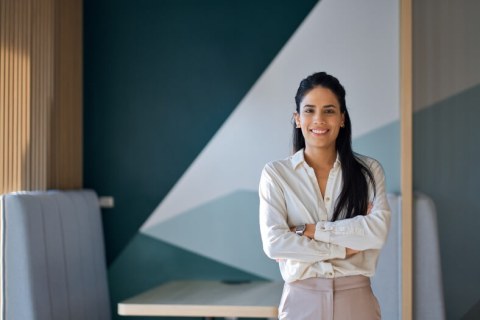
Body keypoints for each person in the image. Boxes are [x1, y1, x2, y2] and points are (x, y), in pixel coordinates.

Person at [259, 72, 391, 320]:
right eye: (309, 110)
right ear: (297, 119)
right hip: (301, 301)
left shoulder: (369, 171)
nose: (318, 119)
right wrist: (342, 248)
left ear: (342, 119)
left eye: (329, 110)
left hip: (356, 300)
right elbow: (274, 243)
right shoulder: (276, 174)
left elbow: (377, 231)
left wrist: (308, 230)